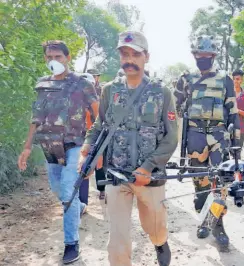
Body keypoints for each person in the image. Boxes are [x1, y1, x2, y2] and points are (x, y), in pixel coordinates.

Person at [81, 30, 177, 266]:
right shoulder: (109, 91)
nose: (129, 60)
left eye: (135, 54)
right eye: (125, 54)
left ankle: (160, 242)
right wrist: (86, 149)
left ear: (146, 57)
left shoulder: (162, 92)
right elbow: (99, 124)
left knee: (154, 227)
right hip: (117, 175)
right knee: (118, 239)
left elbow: (172, 136)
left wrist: (148, 167)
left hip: (150, 177)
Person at [17, 40, 99, 264]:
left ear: (68, 57)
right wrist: (26, 147)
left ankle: (71, 244)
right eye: (49, 57)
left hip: (75, 145)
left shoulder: (81, 83)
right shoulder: (43, 84)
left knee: (67, 190)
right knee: (59, 190)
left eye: (58, 57)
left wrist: (95, 146)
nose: (53, 61)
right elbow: (36, 117)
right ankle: (79, 206)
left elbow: (98, 113)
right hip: (49, 147)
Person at [174, 35, 240, 251]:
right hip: (194, 135)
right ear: (194, 55)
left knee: (219, 182)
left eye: (207, 55)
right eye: (199, 55)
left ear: (213, 56)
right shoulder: (185, 78)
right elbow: (174, 108)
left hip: (219, 136)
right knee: (200, 184)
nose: (203, 58)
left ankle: (218, 225)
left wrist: (237, 140)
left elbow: (233, 111)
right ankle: (204, 218)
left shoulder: (225, 79)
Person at [87, 68, 107, 200]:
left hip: (101, 127)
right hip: (87, 129)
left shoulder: (103, 90)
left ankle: (103, 189)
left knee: (101, 159)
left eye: (96, 76)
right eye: (93, 76)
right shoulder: (81, 91)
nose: (95, 78)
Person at [232, 69, 244, 154]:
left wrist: (237, 110)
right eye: (234, 79)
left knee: (237, 154)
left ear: (242, 80)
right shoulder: (226, 93)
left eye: (238, 79)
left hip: (240, 129)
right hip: (226, 128)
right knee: (224, 153)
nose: (236, 81)